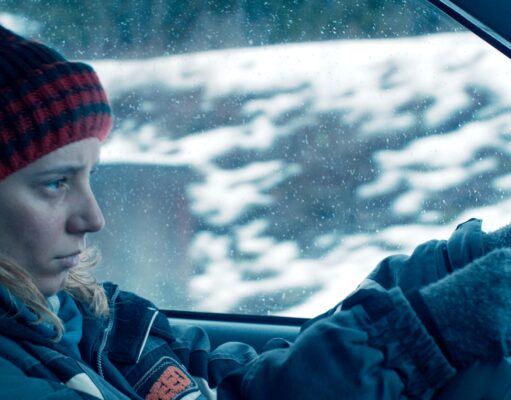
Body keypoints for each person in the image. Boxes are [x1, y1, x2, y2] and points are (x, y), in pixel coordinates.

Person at [0, 24, 511, 400]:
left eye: (90, 176)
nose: (93, 219)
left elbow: (244, 383)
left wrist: (460, 264)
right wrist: (424, 336)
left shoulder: (97, 320)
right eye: (55, 183)